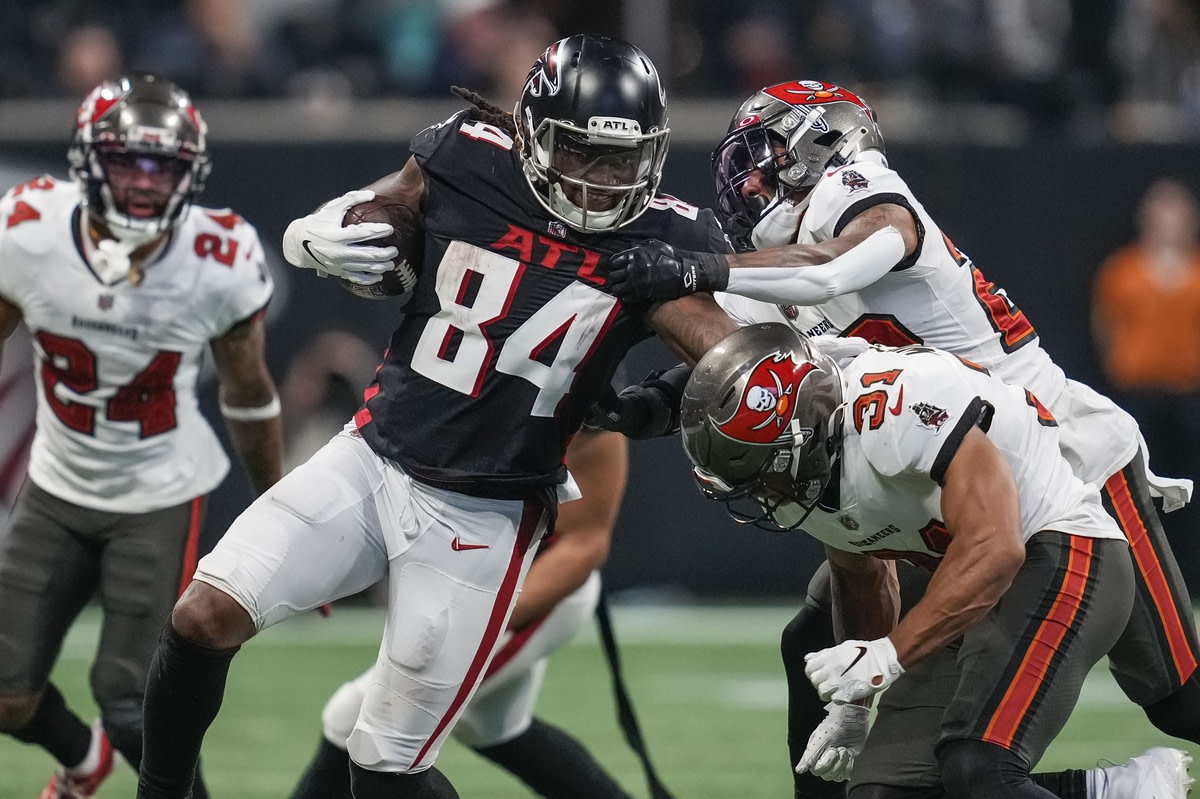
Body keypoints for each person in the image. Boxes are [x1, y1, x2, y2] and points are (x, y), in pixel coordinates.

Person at [134, 34, 737, 799]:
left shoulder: (664, 238)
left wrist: (668, 400)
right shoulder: (467, 153)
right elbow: (390, 202)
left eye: (621, 159)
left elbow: (726, 355)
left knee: (385, 767)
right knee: (201, 615)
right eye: (580, 152)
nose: (600, 178)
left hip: (484, 516)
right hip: (373, 455)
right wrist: (333, 227)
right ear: (530, 133)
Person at [604, 79, 1200, 795]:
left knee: (1178, 698)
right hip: (930, 485)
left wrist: (702, 266)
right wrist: (635, 408)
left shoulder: (857, 192)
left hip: (1064, 461)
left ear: (822, 144)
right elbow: (757, 365)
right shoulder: (778, 267)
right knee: (815, 643)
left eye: (762, 158)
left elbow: (830, 270)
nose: (749, 182)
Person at [679, 322, 1194, 798]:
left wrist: (887, 657)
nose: (764, 493)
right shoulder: (805, 470)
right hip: (965, 579)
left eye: (763, 471)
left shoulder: (904, 403)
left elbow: (997, 548)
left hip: (1062, 551)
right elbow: (862, 573)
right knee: (883, 792)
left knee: (980, 767)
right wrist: (853, 706)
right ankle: (1113, 791)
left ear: (801, 434)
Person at [0, 73, 282, 799]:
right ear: (90, 161)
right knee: (5, 691)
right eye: (129, 161)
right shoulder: (29, 230)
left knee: (129, 701)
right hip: (57, 486)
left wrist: (281, 509)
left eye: (165, 167)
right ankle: (81, 762)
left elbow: (250, 396)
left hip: (157, 493)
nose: (147, 184)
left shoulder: (216, 256)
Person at [291, 428, 634, 799]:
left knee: (354, 720)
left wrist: (480, 611)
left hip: (531, 585)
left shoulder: (579, 383)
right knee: (493, 726)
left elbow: (585, 542)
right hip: (468, 571)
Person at [1091, 177, 1200, 578]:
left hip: (1187, 398)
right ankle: (1141, 577)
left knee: (1189, 488)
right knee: (1138, 491)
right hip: (1139, 396)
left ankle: (1188, 575)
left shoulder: (1196, 273)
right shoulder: (1124, 270)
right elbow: (1105, 327)